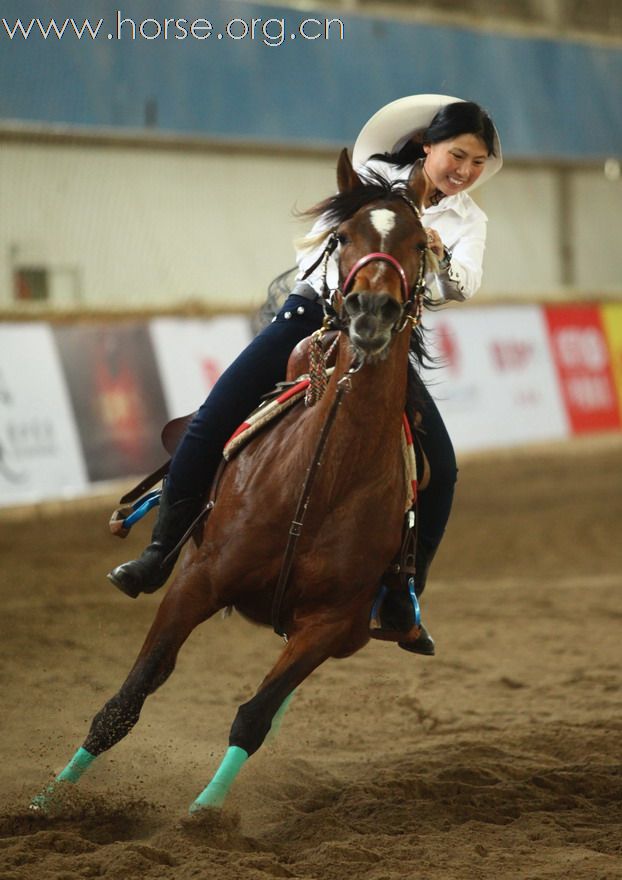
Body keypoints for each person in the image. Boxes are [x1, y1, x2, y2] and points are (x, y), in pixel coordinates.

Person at [108, 94, 502, 656]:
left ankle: (403, 597)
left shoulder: (469, 220)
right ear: (427, 146)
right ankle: (160, 551)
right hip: (315, 312)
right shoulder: (370, 177)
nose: (464, 172)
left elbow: (462, 284)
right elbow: (326, 244)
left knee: (443, 468)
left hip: (388, 335)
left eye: (476, 163)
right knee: (215, 416)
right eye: (457, 155)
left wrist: (436, 256)